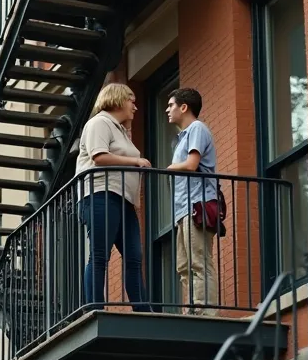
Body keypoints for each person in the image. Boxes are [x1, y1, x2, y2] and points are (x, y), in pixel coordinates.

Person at [74, 83, 152, 312]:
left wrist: (127, 128)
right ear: (117, 99)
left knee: (134, 257)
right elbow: (99, 156)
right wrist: (136, 161)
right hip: (100, 194)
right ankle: (95, 308)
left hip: (123, 199)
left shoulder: (118, 129)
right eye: (131, 100)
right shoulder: (99, 122)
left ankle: (142, 309)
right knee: (100, 255)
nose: (135, 107)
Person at [165, 87, 220, 315]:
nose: (167, 110)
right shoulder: (182, 138)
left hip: (197, 205)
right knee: (183, 266)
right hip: (182, 209)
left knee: (199, 261)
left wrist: (168, 168)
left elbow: (191, 165)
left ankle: (206, 311)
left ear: (184, 107)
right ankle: (192, 310)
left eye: (171, 105)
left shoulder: (197, 128)